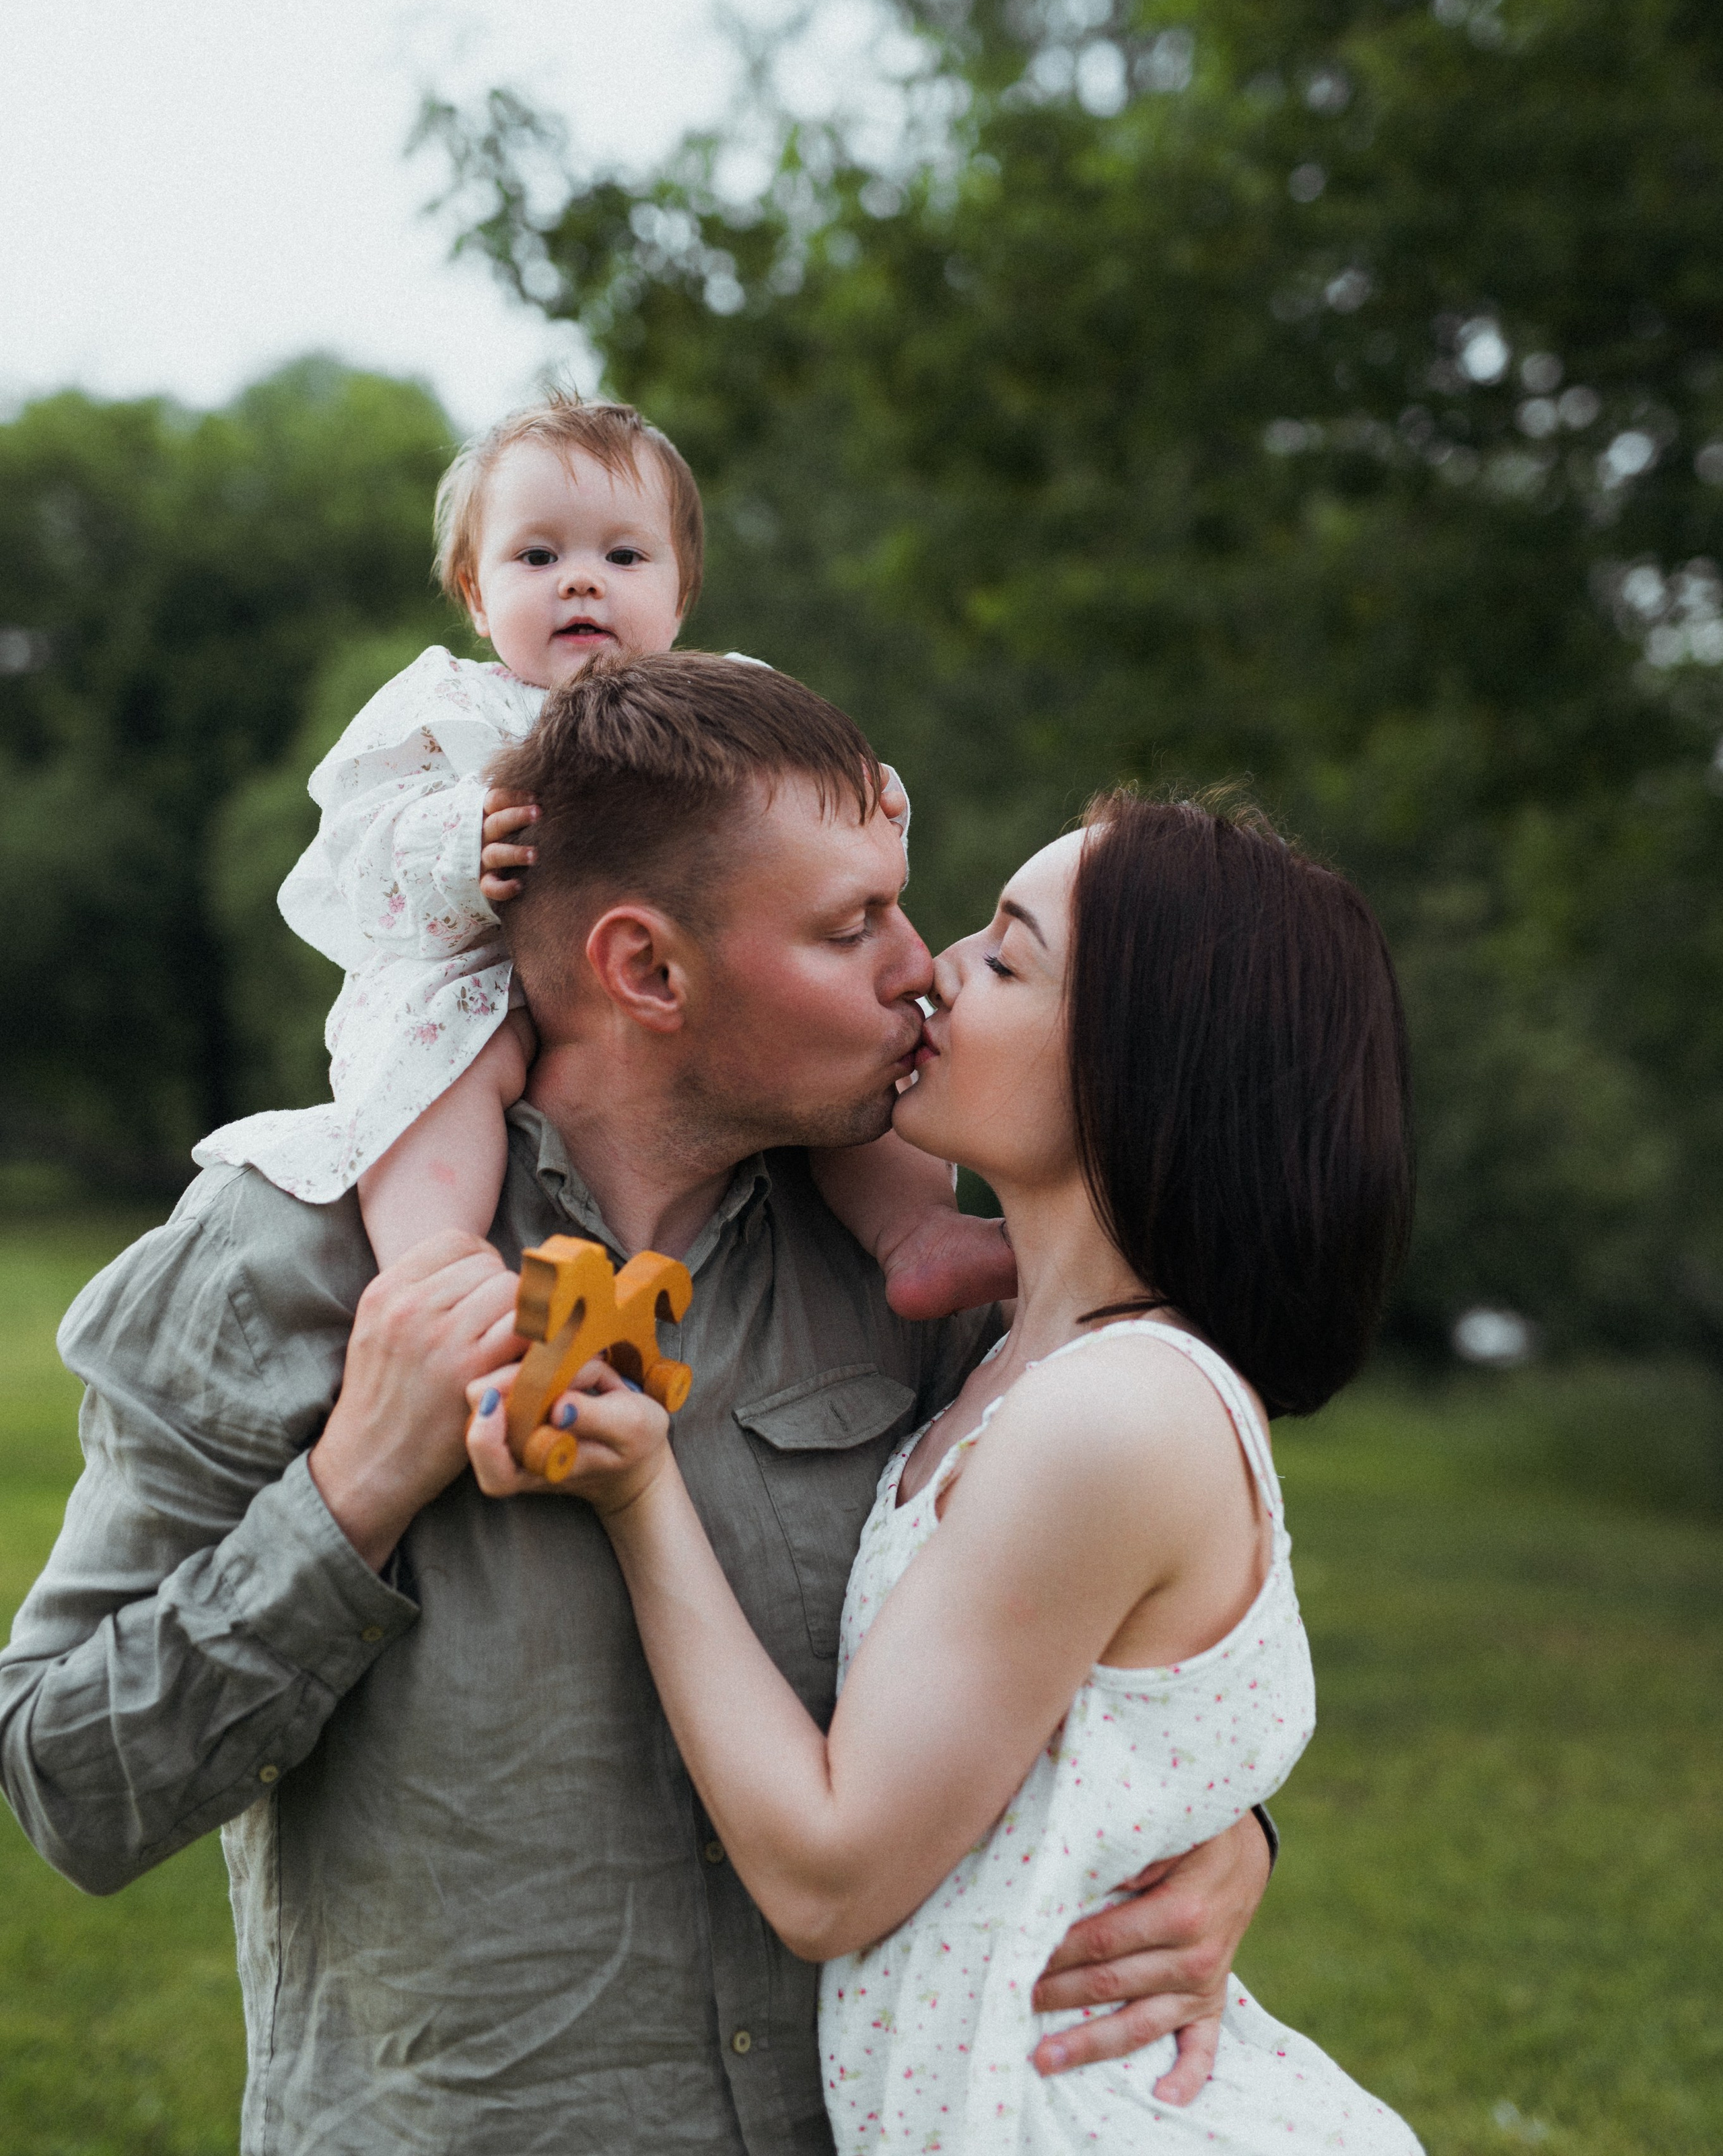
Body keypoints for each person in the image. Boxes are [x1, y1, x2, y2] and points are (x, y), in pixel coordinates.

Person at [0, 656, 1273, 2156]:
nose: (917, 967)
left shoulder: (914, 1283)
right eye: (848, 924)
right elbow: (68, 1783)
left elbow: (1084, 1636)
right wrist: (352, 1491)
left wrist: (1226, 1833)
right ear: (648, 970)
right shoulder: (283, 1249)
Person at [467, 783, 1423, 2153]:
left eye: (1003, 953)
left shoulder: (1113, 1417)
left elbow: (827, 1874)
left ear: (1132, 1064)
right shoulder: (1008, 1365)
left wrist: (637, 1492)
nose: (929, 969)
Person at [191, 387, 1013, 1317]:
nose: (581, 580)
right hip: (480, 972)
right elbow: (354, 848)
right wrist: (454, 839)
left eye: (623, 555)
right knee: (433, 1064)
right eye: (538, 555)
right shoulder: (447, 713)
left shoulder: (728, 699)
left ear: (680, 590)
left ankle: (916, 1233)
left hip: (686, 995)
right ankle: (436, 1273)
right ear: (474, 591)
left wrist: (873, 793)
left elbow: (818, 835)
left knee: (857, 1043)